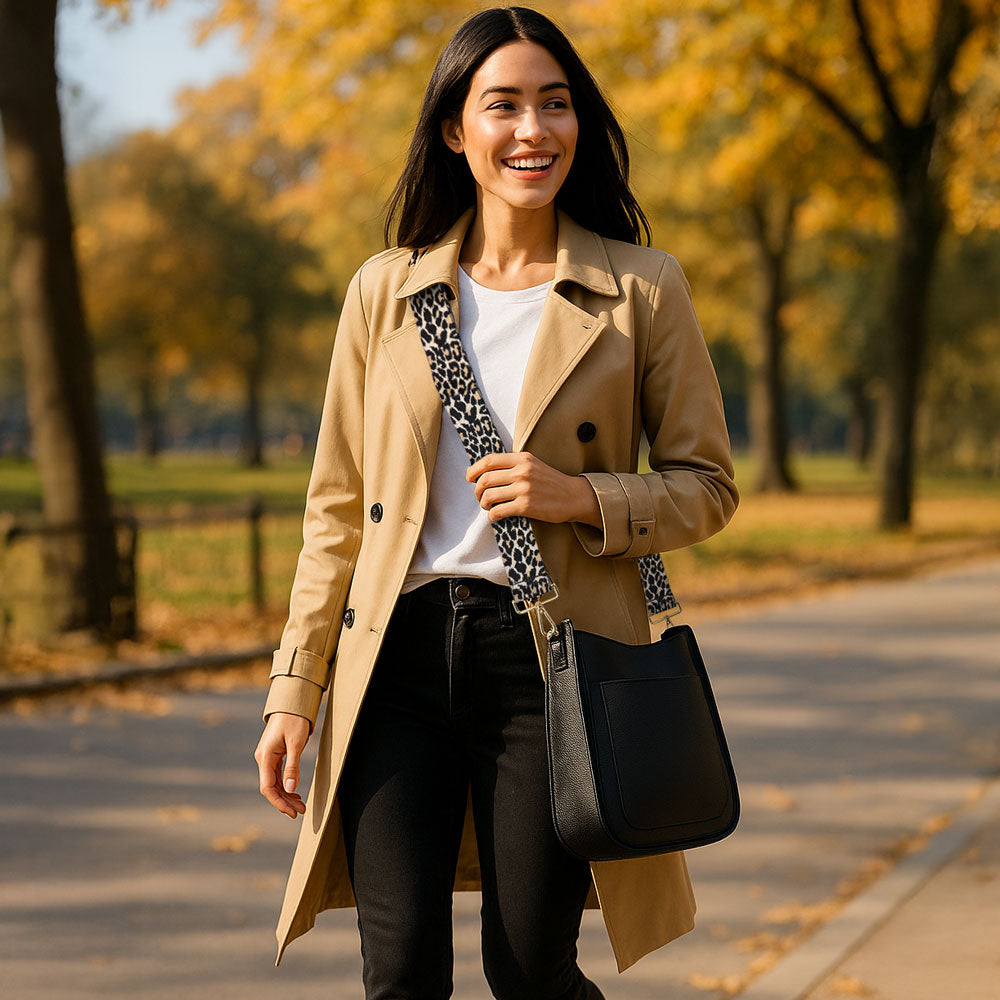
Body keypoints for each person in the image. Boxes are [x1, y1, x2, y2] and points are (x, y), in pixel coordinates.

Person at [253, 6, 739, 998]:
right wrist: (294, 689)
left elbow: (707, 485)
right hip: (391, 661)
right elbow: (335, 511)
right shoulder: (384, 292)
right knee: (398, 971)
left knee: (529, 969)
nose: (533, 130)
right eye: (503, 104)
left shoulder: (641, 289)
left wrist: (580, 495)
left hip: (549, 661)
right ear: (453, 129)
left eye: (555, 105)